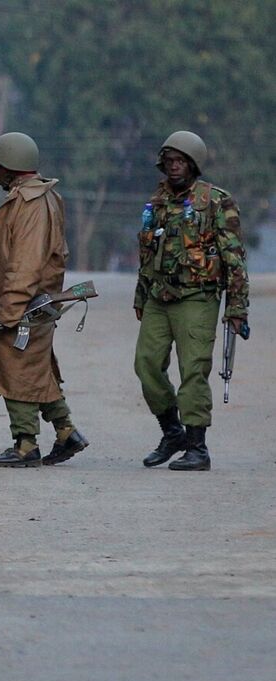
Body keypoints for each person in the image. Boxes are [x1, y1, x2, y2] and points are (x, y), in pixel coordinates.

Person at [0, 132, 89, 467]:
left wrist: (10, 309)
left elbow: (26, 262)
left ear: (11, 167)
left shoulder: (31, 204)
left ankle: (25, 443)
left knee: (14, 369)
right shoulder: (32, 198)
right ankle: (65, 431)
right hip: (28, 303)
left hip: (26, 305)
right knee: (35, 369)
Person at [133, 131, 249, 471]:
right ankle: (172, 432)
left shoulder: (215, 201)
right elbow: (147, 253)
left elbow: (234, 258)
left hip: (198, 297)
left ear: (193, 165)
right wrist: (141, 295)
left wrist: (237, 307)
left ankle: (197, 446)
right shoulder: (157, 202)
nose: (173, 167)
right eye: (169, 162)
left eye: (180, 161)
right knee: (146, 364)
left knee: (193, 370)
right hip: (158, 295)